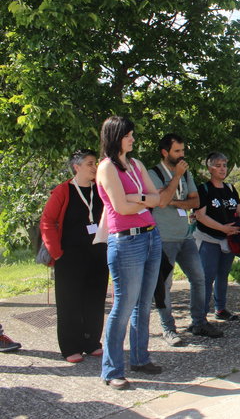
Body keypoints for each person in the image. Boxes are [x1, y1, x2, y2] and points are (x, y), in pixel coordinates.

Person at [97, 116, 162, 390]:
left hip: (150, 237)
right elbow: (120, 209)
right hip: (126, 243)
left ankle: (140, 358)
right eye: (128, 135)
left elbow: (157, 198)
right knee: (123, 307)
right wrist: (141, 200)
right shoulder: (106, 167)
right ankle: (112, 371)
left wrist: (135, 198)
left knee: (143, 304)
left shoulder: (136, 164)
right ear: (116, 136)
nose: (133, 139)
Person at [149, 134, 222, 345]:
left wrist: (173, 200)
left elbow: (196, 200)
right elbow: (161, 202)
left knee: (199, 278)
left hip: (186, 236)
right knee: (165, 284)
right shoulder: (153, 173)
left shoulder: (186, 173)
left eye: (183, 150)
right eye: (177, 151)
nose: (182, 155)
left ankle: (199, 322)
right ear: (165, 152)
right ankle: (168, 329)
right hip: (163, 238)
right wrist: (175, 182)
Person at [40, 149, 108, 362]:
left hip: (98, 255)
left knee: (95, 300)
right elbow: (47, 221)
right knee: (70, 302)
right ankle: (71, 347)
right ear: (76, 167)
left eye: (94, 163)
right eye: (89, 163)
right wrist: (56, 252)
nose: (94, 167)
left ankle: (91, 342)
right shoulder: (63, 191)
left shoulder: (100, 189)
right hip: (69, 257)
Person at [194, 152, 240, 322]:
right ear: (209, 168)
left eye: (224, 165)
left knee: (223, 275)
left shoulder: (230, 188)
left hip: (229, 240)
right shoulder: (204, 189)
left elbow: (239, 211)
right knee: (206, 277)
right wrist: (222, 228)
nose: (222, 169)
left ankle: (220, 309)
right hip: (209, 240)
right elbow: (200, 216)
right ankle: (201, 315)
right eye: (218, 165)